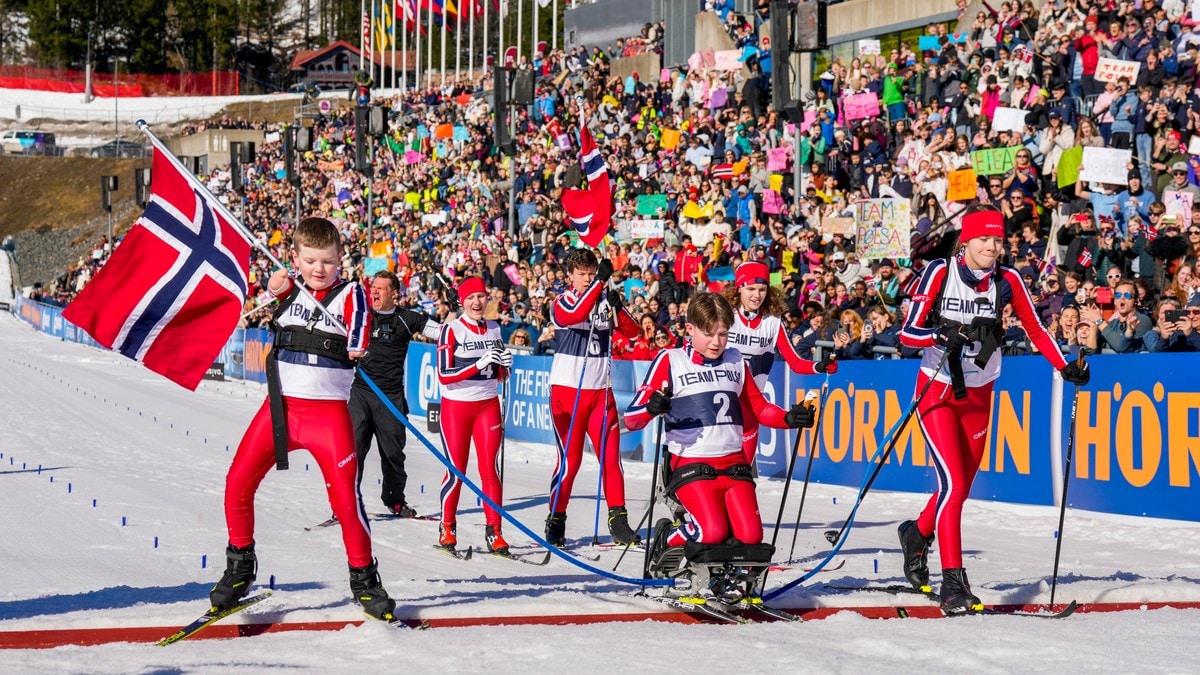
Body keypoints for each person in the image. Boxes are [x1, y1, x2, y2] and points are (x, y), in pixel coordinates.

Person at [895, 204, 1091, 614]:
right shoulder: (940, 272)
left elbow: (1035, 326)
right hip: (937, 391)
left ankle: (917, 534)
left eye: (997, 240)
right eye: (983, 238)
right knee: (952, 485)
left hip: (980, 393)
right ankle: (953, 584)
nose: (991, 247)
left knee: (960, 488)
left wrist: (1064, 366)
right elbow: (907, 335)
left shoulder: (1007, 279)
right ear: (965, 241)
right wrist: (940, 334)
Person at [211, 217, 394, 621]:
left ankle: (365, 578)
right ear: (295, 258)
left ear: (340, 258)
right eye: (310, 261)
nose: (318, 269)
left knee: (345, 500)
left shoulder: (350, 294)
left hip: (327, 416)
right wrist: (276, 287)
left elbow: (361, 324)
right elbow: (276, 290)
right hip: (280, 410)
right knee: (237, 482)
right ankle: (240, 566)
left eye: (327, 261)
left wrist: (357, 343)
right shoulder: (291, 289)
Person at [624, 293, 815, 583]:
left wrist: (789, 418)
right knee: (711, 531)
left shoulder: (736, 360)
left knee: (751, 537)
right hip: (692, 462)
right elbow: (631, 418)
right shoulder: (671, 360)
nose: (716, 342)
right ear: (690, 329)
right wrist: (651, 408)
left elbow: (759, 408)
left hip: (734, 463)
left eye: (723, 334)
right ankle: (667, 537)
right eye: (708, 334)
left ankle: (725, 578)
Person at [545, 248, 641, 546]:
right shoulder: (562, 301)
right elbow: (574, 314)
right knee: (571, 461)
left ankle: (618, 520)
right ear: (570, 276)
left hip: (601, 392)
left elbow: (634, 333)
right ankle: (556, 517)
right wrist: (599, 283)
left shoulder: (602, 299)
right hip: (568, 392)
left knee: (611, 459)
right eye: (582, 275)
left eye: (591, 273)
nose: (587, 279)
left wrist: (618, 307)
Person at [721, 261, 835, 463]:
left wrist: (819, 366)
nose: (757, 295)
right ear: (739, 288)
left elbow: (795, 362)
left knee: (742, 473)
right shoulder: (726, 317)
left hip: (751, 406)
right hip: (721, 400)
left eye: (762, 289)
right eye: (751, 289)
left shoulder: (772, 322)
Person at [351, 270, 441, 518]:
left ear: (394, 294)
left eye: (381, 288)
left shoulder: (407, 318)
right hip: (361, 392)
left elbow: (442, 333)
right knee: (353, 449)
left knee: (392, 453)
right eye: (373, 287)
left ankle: (395, 500)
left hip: (390, 396)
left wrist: (457, 316)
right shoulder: (361, 316)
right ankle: (345, 501)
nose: (374, 292)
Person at [435, 276, 513, 554]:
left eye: (480, 296)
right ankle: (447, 526)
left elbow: (500, 374)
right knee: (457, 471)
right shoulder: (451, 330)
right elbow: (444, 374)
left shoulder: (494, 328)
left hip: (487, 406)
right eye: (470, 298)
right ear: (461, 301)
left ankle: (495, 531)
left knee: (490, 470)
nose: (476, 302)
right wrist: (479, 363)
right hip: (457, 407)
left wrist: (506, 365)